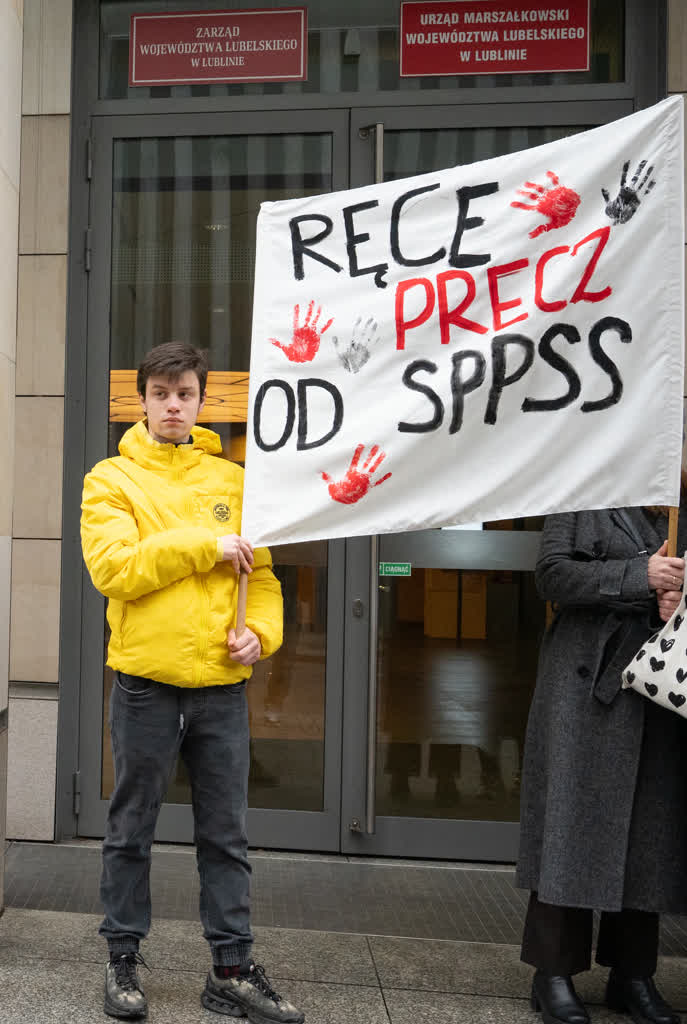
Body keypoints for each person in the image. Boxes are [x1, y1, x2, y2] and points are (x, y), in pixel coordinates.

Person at [81, 342, 304, 1024]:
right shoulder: (110, 479)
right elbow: (114, 569)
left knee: (226, 835)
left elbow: (264, 578)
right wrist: (203, 547)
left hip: (220, 686)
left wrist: (259, 634)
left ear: (203, 402)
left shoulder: (234, 483)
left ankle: (231, 970)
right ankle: (122, 958)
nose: (173, 405)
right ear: (142, 401)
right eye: (161, 394)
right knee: (131, 827)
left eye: (185, 394)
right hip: (146, 683)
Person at [517, 505, 687, 1024]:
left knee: (646, 829)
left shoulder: (678, 504)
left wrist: (679, 594)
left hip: (657, 682)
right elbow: (551, 576)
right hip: (584, 681)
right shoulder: (585, 488)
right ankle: (552, 973)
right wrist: (640, 575)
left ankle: (633, 975)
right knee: (567, 823)